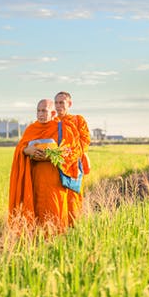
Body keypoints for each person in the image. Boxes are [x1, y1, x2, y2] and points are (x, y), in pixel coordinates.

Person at [8, 99, 82, 235]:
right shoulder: (31, 129)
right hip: (35, 180)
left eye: (44, 111)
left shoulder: (64, 128)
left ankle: (56, 241)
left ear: (53, 113)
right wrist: (27, 151)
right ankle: (36, 243)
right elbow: (20, 148)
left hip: (55, 181)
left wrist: (53, 155)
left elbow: (73, 151)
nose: (40, 114)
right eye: (38, 110)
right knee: (36, 211)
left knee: (55, 212)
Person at [54, 91, 91, 226]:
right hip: (54, 167)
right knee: (57, 201)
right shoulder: (51, 121)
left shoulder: (77, 120)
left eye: (61, 103)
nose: (58, 106)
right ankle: (58, 229)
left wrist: (68, 154)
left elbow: (85, 141)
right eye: (56, 103)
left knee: (73, 200)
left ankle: (73, 229)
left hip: (73, 166)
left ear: (69, 104)